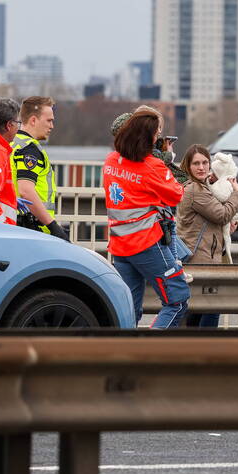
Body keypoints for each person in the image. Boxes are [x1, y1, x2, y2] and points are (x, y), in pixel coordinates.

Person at [104, 109, 189, 328]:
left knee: (129, 309)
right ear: (148, 138)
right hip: (146, 243)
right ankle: (147, 350)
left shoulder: (111, 161)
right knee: (177, 300)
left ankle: (125, 355)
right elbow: (176, 194)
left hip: (120, 244)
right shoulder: (152, 166)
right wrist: (166, 161)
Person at [176, 144, 238, 328]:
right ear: (188, 167)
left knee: (197, 312)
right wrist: (237, 194)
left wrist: (225, 231)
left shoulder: (203, 187)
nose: (201, 167)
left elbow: (208, 222)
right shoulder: (195, 190)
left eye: (205, 162)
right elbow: (221, 214)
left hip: (204, 256)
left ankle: (193, 350)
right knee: (211, 308)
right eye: (196, 163)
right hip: (198, 258)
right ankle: (204, 348)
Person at [11, 96, 68, 240]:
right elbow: (26, 190)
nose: (52, 126)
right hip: (33, 228)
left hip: (15, 223)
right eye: (49, 120)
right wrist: (53, 226)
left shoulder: (13, 143)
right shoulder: (30, 149)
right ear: (33, 120)